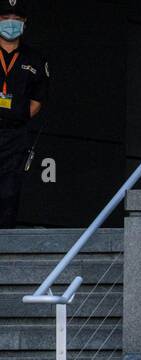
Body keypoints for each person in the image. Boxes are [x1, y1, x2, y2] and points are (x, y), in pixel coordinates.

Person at [0, 0, 47, 228]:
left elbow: (38, 100)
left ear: (24, 22)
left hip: (14, 135)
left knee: (9, 191)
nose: (11, 23)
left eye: (17, 19)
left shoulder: (35, 59)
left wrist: (16, 117)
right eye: (6, 18)